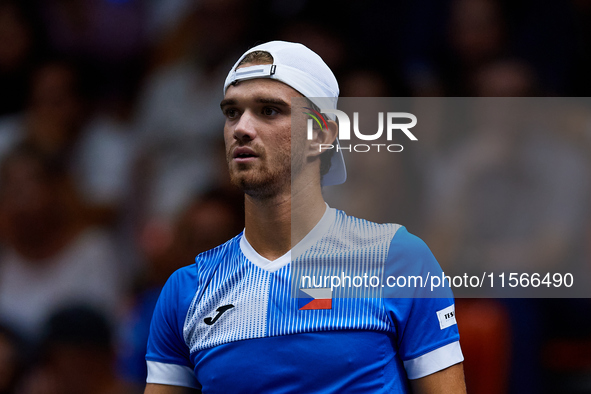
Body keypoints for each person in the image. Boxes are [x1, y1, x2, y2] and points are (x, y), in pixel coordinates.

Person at [144, 41, 466, 393]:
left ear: (322, 134)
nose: (241, 128)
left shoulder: (397, 259)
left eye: (268, 111)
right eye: (232, 112)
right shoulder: (185, 291)